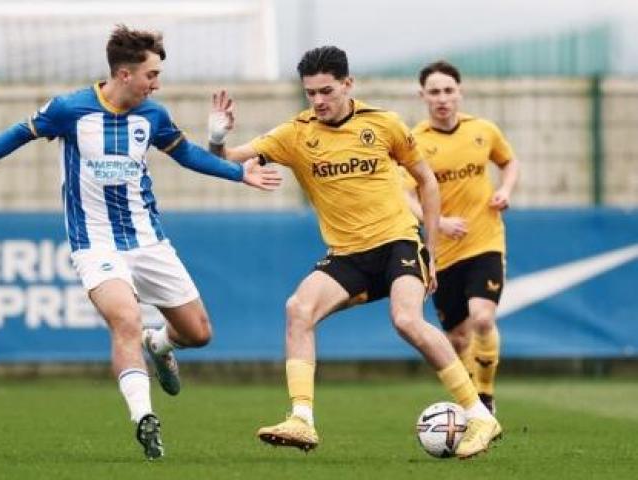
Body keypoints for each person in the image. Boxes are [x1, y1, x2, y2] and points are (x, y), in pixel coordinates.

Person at [0, 25, 281, 461]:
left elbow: (187, 154)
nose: (157, 83)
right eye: (151, 74)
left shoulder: (152, 115)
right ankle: (144, 418)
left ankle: (162, 344)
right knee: (125, 321)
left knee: (199, 333)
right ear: (123, 74)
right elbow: (14, 136)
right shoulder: (69, 109)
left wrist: (238, 173)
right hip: (95, 243)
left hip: (148, 241)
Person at [207, 46, 500, 458]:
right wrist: (219, 136)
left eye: (327, 90)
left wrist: (430, 250)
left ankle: (479, 415)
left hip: (398, 240)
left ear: (348, 84)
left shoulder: (384, 124)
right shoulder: (296, 134)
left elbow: (426, 182)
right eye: (311, 93)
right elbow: (225, 160)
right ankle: (301, 420)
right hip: (347, 254)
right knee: (298, 309)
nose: (319, 101)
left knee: (405, 319)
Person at [408, 60, 520, 414]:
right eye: (435, 92)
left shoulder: (483, 130)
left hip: (485, 240)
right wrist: (438, 223)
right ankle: (473, 405)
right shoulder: (415, 142)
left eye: (448, 91)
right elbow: (404, 194)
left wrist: (505, 190)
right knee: (458, 339)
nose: (442, 98)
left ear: (460, 92)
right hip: (444, 252)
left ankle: (485, 397)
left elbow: (509, 161)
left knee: (483, 319)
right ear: (422, 96)